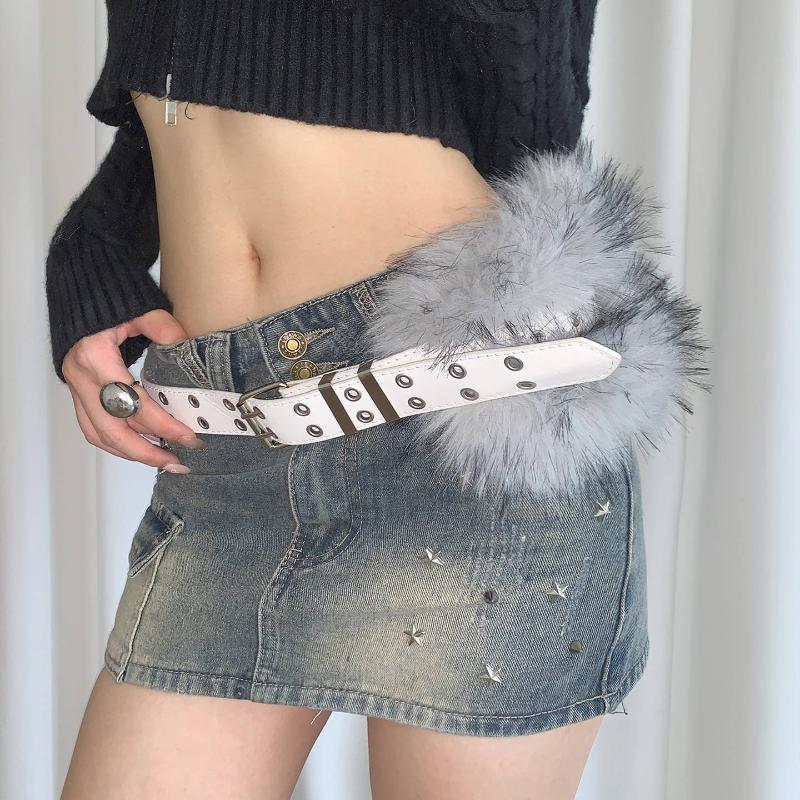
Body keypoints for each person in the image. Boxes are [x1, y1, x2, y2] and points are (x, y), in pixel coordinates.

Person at [46, 2, 707, 798]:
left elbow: (526, 87)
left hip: (464, 425)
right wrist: (93, 248)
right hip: (227, 448)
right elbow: (192, 66)